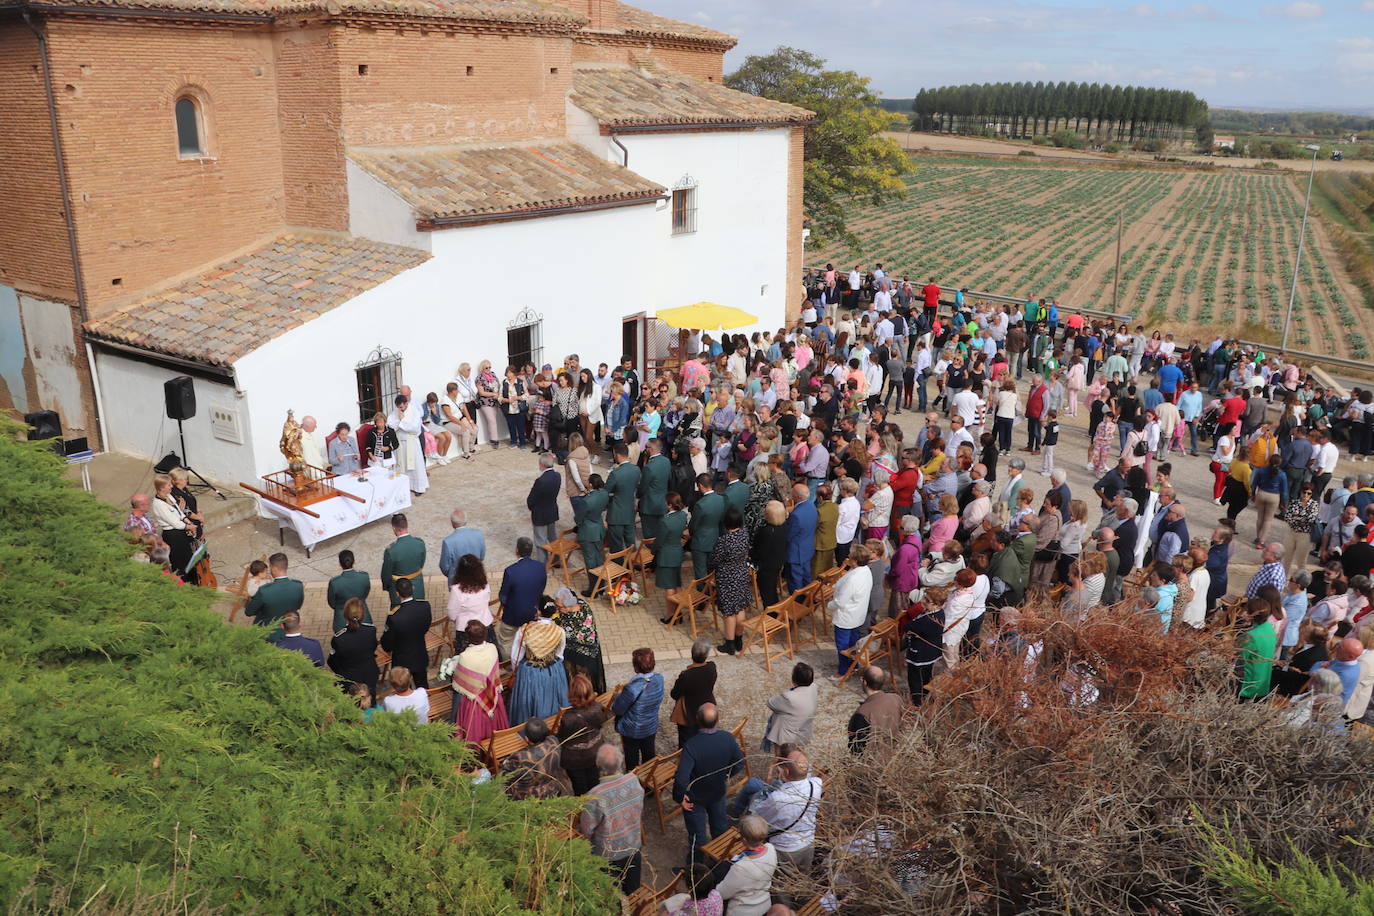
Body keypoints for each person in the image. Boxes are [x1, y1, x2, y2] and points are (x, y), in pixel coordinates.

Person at [673, 703, 744, 868]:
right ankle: (719, 863)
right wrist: (726, 775)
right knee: (720, 829)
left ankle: (695, 869)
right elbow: (739, 763)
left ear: (697, 720)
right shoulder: (727, 738)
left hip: (695, 797)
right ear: (718, 719)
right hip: (717, 792)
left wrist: (679, 797)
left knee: (698, 837)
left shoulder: (692, 745)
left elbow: (682, 777)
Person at [580, 744, 645, 894]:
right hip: (633, 846)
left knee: (611, 894)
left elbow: (587, 830)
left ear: (597, 765)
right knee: (633, 892)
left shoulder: (595, 795)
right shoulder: (633, 780)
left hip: (606, 854)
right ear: (621, 762)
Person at [751, 750, 821, 878]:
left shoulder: (777, 798)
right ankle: (803, 898)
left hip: (785, 848)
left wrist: (767, 783)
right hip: (809, 842)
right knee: (803, 878)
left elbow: (759, 815)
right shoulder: (816, 784)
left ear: (787, 772)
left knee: (783, 889)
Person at [508, 596, 569, 723]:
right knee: (551, 699)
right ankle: (551, 724)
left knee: (527, 701)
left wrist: (516, 672)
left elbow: (515, 657)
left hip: (530, 672)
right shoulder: (560, 631)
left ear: (539, 611)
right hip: (553, 671)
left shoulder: (525, 630)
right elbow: (559, 655)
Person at [452, 619, 509, 744]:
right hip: (492, 694)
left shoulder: (465, 656)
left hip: (474, 701)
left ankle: (452, 724)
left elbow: (458, 683)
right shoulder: (492, 648)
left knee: (457, 700)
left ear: (468, 637)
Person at [715, 815, 778, 916]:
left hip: (743, 911)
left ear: (743, 839)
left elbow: (722, 893)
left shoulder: (741, 867)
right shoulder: (771, 849)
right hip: (765, 905)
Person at [612, 647, 664, 770]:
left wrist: (617, 697)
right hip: (651, 725)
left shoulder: (632, 688)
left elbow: (618, 709)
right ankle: (648, 782)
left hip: (632, 730)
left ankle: (633, 782)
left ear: (636, 667)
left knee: (632, 759)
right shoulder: (659, 679)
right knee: (649, 755)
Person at [497, 538, 547, 658]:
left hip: (512, 616)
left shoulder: (510, 571)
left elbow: (503, 596)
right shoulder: (540, 567)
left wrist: (506, 606)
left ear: (517, 550)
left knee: (506, 641)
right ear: (531, 551)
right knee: (528, 639)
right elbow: (542, 588)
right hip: (532, 614)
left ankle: (510, 667)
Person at [558, 673, 608, 795]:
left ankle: (583, 812)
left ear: (572, 695)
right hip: (595, 752)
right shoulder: (597, 707)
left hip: (575, 761)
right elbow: (601, 724)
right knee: (595, 784)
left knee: (580, 790)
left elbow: (563, 739)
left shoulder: (568, 718)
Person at [713, 508, 753, 656]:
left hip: (727, 577)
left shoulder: (724, 540)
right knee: (740, 607)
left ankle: (729, 644)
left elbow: (715, 559)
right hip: (741, 573)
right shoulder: (744, 534)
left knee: (729, 611)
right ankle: (738, 640)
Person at [829, 544, 873, 677]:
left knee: (842, 645)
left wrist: (829, 604)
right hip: (858, 613)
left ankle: (843, 671)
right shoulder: (866, 570)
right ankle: (853, 665)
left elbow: (841, 602)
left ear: (854, 560)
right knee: (853, 641)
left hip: (846, 616)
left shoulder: (854, 579)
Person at [553, 585, 606, 694]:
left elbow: (562, 634)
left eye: (559, 606)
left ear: (567, 606)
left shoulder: (575, 622)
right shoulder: (581, 603)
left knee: (582, 683)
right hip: (585, 652)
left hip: (581, 657)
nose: (557, 609)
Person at [500, 717, 569, 800]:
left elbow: (505, 773)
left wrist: (506, 760)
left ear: (526, 739)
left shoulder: (521, 757)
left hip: (528, 796)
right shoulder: (554, 741)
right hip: (551, 788)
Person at [381, 577, 431, 688]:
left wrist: (388, 648)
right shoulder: (425, 606)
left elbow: (387, 643)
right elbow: (426, 627)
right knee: (423, 687)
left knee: (403, 691)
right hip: (420, 655)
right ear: (413, 588)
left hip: (402, 661)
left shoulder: (394, 617)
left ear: (397, 594)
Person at [329, 598, 379, 699]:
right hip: (370, 674)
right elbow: (373, 648)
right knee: (371, 701)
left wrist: (342, 672)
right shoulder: (371, 630)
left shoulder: (339, 638)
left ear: (345, 615)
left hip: (349, 679)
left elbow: (332, 662)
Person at [671, 639, 718, 747]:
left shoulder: (686, 675)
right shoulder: (712, 667)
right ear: (706, 655)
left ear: (692, 654)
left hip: (689, 712)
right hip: (708, 707)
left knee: (686, 742)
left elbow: (674, 694)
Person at [847, 666, 902, 754]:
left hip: (872, 762)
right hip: (894, 755)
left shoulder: (862, 713)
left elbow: (856, 748)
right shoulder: (896, 699)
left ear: (864, 682)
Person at [244, 552, 304, 628]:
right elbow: (298, 606)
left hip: (268, 630)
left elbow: (249, 612)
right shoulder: (298, 585)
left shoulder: (264, 591)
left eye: (270, 567)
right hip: (290, 627)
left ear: (274, 568)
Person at [903, 599, 944, 706]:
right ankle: (926, 695)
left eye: (927, 600)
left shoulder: (927, 620)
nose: (923, 601)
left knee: (914, 677)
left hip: (920, 652)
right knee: (927, 674)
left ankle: (916, 701)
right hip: (932, 650)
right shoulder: (940, 613)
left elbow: (908, 627)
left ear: (936, 604)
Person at [388, 389, 429, 494]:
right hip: (401, 444)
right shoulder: (396, 412)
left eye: (401, 407)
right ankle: (405, 487)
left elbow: (415, 427)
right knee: (403, 466)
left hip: (412, 442)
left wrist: (403, 421)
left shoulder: (414, 411)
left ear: (406, 403)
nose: (400, 409)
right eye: (398, 407)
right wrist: (400, 421)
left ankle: (419, 487)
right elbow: (391, 424)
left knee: (415, 465)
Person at [380, 513, 426, 606]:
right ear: (407, 525)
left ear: (393, 528)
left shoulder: (391, 550)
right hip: (417, 585)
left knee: (399, 613)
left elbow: (386, 573)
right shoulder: (419, 543)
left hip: (398, 588)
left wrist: (386, 586)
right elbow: (421, 563)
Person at [576, 473, 609, 597]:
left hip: (588, 531)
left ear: (590, 484)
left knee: (590, 560)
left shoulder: (587, 500)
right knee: (599, 558)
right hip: (599, 528)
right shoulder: (604, 494)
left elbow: (578, 518)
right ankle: (601, 585)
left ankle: (593, 589)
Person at [1238, 597, 1278, 700]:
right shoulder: (1269, 628)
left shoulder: (1250, 636)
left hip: (1248, 686)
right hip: (1263, 684)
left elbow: (1238, 659)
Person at [446, 554, 492, 642]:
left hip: (466, 630)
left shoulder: (456, 590)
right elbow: (487, 600)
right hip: (485, 624)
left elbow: (452, 614)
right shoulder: (484, 584)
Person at [605, 442, 641, 551]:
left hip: (616, 513)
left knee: (616, 545)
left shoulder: (616, 473)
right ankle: (632, 564)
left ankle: (619, 566)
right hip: (629, 511)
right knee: (631, 543)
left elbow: (606, 491)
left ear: (616, 454)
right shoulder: (636, 470)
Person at [527, 452, 561, 563]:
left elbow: (531, 500)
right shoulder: (557, 476)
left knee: (541, 540)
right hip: (551, 511)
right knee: (552, 538)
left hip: (540, 514)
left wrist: (532, 508)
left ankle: (543, 564)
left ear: (542, 465)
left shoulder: (540, 481)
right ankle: (556, 560)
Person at [326, 550, 371, 631]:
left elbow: (332, 602)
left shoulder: (335, 582)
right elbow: (365, 593)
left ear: (340, 564)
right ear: (354, 561)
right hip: (362, 614)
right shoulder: (364, 576)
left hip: (342, 618)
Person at [785, 483, 819, 591]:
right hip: (807, 548)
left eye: (792, 493)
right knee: (806, 578)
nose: (791, 495)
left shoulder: (796, 515)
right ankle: (807, 600)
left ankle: (797, 604)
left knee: (795, 582)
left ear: (798, 497)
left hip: (796, 553)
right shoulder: (811, 505)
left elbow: (789, 535)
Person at [439, 509, 485, 583]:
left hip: (457, 580)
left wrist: (452, 574)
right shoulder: (479, 534)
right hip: (476, 576)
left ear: (452, 523)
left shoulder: (448, 541)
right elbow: (481, 556)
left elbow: (444, 566)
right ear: (465, 521)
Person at [639, 438, 671, 543]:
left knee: (649, 536)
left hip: (649, 505)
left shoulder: (649, 467)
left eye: (646, 447)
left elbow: (643, 487)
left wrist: (638, 496)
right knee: (660, 532)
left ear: (651, 449)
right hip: (662, 502)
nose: (645, 450)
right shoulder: (666, 461)